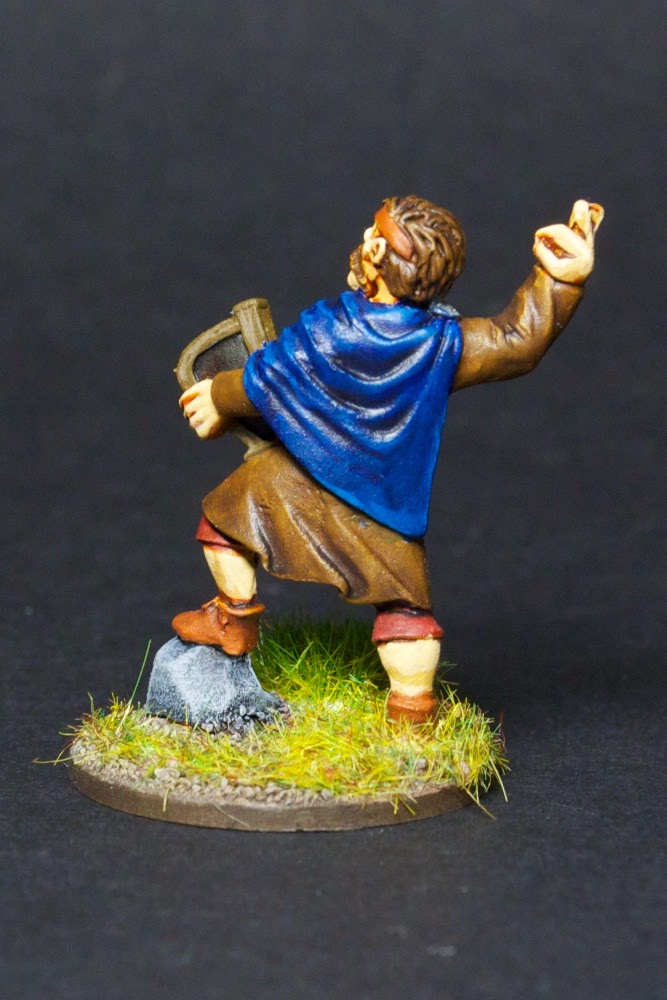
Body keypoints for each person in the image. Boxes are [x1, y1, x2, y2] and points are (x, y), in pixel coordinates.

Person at [174, 194, 603, 724]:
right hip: (386, 504)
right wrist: (560, 280)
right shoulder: (444, 344)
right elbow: (517, 340)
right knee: (406, 609)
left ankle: (235, 619)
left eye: (371, 234)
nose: (363, 239)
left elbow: (268, 374)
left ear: (378, 255)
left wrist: (217, 396)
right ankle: (412, 709)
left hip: (303, 478)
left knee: (224, 522)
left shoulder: (330, 328)